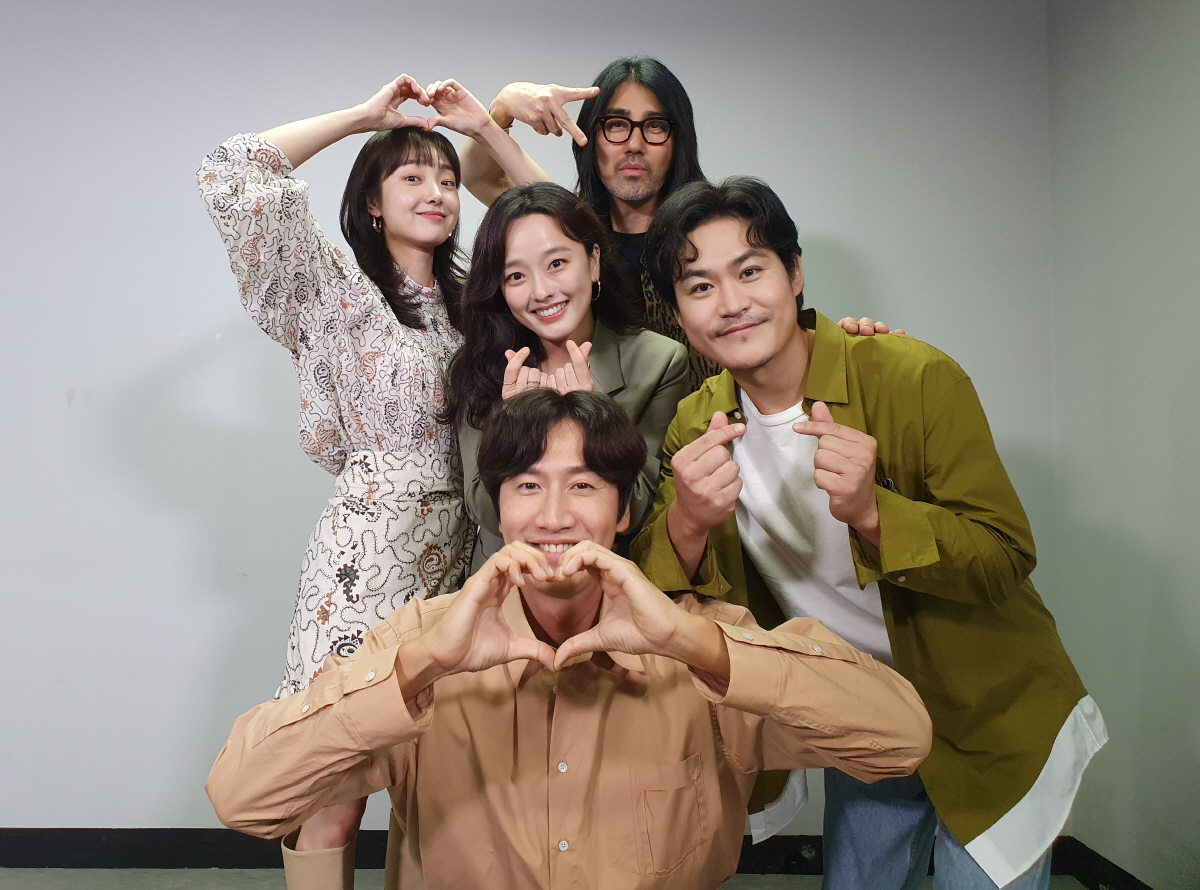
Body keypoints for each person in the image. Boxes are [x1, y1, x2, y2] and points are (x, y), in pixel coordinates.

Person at [206, 390, 932, 890]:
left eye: (583, 486)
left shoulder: (702, 644)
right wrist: (422, 667)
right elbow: (242, 798)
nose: (553, 515)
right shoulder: (421, 644)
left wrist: (693, 644)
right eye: (527, 486)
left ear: (623, 513)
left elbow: (901, 738)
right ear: (499, 510)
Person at [633, 177, 1109, 890]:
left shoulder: (914, 377)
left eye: (751, 270)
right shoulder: (699, 423)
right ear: (679, 314)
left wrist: (873, 512)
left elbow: (1005, 555)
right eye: (700, 287)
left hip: (988, 709)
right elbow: (661, 588)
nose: (730, 303)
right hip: (862, 707)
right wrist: (688, 520)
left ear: (795, 274)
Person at [197, 74, 542, 879]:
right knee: (336, 781)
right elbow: (231, 167)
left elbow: (568, 233)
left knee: (443, 774)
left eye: (447, 179)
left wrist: (491, 125)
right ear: (374, 203)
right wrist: (362, 118)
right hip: (369, 553)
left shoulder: (476, 308)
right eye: (412, 176)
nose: (437, 191)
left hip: (463, 554)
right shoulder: (337, 289)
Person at [444, 181, 689, 557]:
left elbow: (644, 504)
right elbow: (481, 505)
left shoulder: (659, 361)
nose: (541, 291)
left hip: (604, 574)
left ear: (593, 261)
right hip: (508, 575)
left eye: (556, 264)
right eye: (516, 276)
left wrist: (592, 418)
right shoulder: (478, 366)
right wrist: (515, 426)